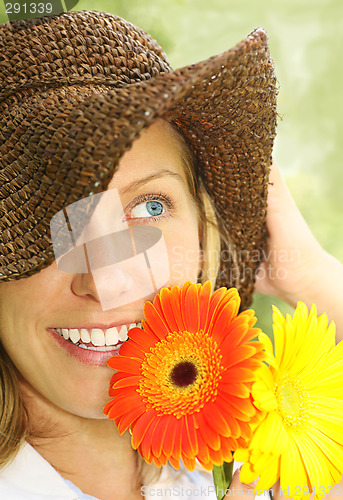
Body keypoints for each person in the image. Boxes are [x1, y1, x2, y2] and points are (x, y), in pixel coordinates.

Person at [0, 9, 342, 500]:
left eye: (150, 207)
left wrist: (311, 278)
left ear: (204, 236)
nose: (108, 280)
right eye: (50, 218)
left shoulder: (267, 453)